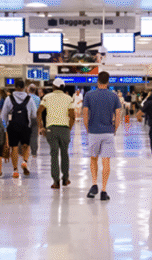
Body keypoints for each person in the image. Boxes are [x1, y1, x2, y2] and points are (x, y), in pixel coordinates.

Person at [82, 71, 122, 201]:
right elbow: (118, 114)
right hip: (108, 132)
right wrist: (114, 129)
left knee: (93, 159)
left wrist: (88, 128)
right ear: (108, 81)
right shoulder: (114, 96)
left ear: (97, 80)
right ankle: (104, 191)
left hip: (94, 131)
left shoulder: (89, 95)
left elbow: (85, 113)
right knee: (106, 161)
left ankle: (94, 184)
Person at [38, 77, 76, 189]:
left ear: (53, 87)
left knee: (54, 154)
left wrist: (41, 127)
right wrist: (68, 128)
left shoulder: (47, 97)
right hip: (64, 129)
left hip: (51, 129)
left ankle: (55, 182)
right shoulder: (69, 98)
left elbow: (39, 112)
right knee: (65, 154)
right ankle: (65, 179)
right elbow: (72, 116)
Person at [1, 81, 37, 178]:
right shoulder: (29, 99)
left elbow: (3, 115)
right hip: (25, 126)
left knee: (14, 148)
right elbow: (34, 114)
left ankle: (15, 170)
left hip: (12, 127)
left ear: (15, 87)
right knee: (26, 146)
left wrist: (5, 128)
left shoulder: (9, 99)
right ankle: (24, 161)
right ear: (24, 88)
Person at [27, 83, 42, 156]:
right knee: (34, 135)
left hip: (27, 118)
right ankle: (34, 152)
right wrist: (40, 122)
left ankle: (25, 151)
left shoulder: (26, 97)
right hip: (35, 118)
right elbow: (39, 111)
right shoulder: (38, 98)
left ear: (28, 90)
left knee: (26, 135)